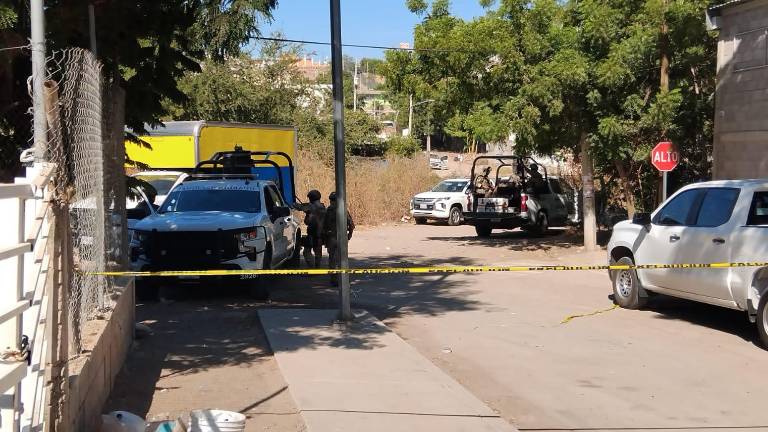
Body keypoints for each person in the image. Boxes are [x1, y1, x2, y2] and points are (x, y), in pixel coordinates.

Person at [321, 191, 355, 286]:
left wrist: (324, 239)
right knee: (343, 259)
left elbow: (323, 227)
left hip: (331, 239)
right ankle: (343, 279)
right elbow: (351, 225)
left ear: (331, 200)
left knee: (332, 260)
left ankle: (334, 280)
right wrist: (349, 235)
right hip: (342, 238)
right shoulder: (343, 211)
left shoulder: (328, 211)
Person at [293, 190, 326, 268]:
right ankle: (317, 268)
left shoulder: (311, 207)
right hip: (320, 234)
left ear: (311, 198)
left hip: (312, 234)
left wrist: (292, 202)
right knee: (318, 254)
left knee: (306, 252)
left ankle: (312, 268)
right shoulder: (322, 207)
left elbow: (298, 207)